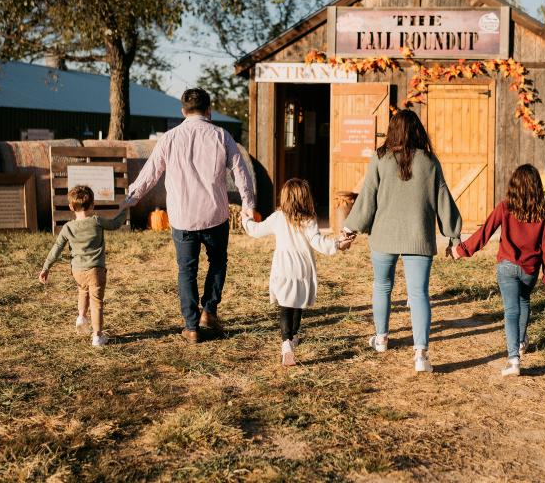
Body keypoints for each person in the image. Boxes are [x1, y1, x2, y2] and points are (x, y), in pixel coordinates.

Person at [125, 87, 256, 343]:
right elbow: (241, 173)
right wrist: (248, 206)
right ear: (209, 109)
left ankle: (191, 326)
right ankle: (209, 310)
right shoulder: (222, 136)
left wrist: (129, 200)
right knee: (218, 263)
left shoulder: (170, 138)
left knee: (186, 270)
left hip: (183, 217)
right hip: (215, 215)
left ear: (183, 111)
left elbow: (149, 174)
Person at [342, 109, 462, 373]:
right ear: (418, 130)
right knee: (418, 293)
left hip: (383, 236)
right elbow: (443, 199)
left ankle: (382, 338)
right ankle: (421, 354)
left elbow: (367, 198)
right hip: (419, 237)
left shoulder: (380, 159)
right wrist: (453, 234)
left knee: (382, 286)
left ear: (392, 131)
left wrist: (350, 228)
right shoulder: (430, 162)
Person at [451, 164, 545, 377]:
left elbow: (484, 233)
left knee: (511, 311)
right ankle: (519, 343)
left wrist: (461, 251)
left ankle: (513, 359)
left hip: (507, 267)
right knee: (524, 301)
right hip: (530, 270)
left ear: (514, 186)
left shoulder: (505, 207)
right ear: (537, 187)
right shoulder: (541, 214)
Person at [241, 178, 352, 367]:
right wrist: (338, 244)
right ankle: (293, 337)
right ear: (305, 198)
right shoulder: (309, 220)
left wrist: (246, 219)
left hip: (283, 270)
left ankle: (286, 343)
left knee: (285, 306)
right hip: (301, 271)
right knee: (297, 305)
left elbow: (256, 230)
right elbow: (318, 242)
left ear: (284, 197)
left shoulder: (278, 217)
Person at [40, 185, 127, 347]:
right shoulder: (96, 221)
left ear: (71, 207)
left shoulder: (67, 227)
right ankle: (97, 336)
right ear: (92, 205)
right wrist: (125, 210)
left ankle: (81, 316)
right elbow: (115, 224)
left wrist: (46, 267)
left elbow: (56, 248)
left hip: (77, 271)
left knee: (82, 291)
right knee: (96, 302)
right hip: (95, 270)